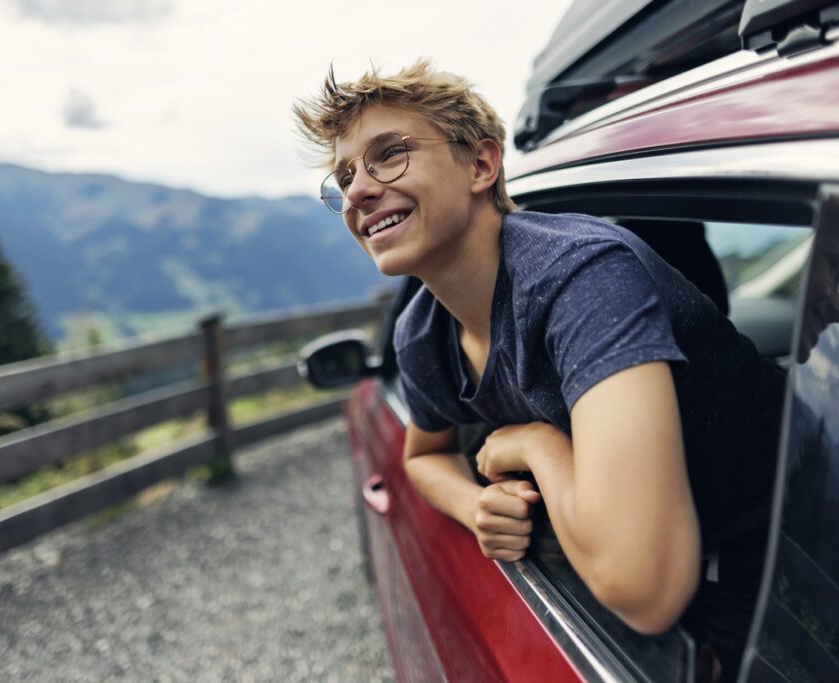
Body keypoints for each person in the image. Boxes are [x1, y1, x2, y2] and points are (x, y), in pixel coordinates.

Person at [293, 60, 784, 681]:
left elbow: (646, 588)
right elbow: (423, 456)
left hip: (792, 547)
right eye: (345, 176)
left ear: (481, 165)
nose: (358, 191)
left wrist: (535, 443)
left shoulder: (581, 280)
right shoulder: (422, 332)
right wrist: (475, 504)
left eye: (390, 154)